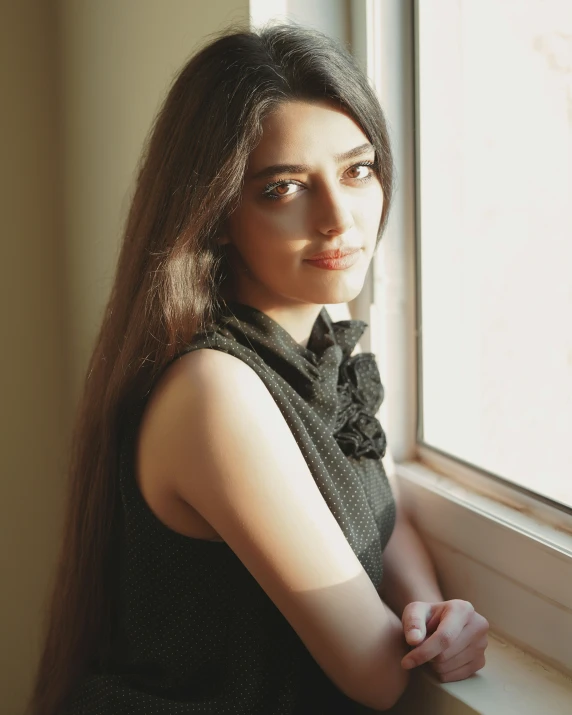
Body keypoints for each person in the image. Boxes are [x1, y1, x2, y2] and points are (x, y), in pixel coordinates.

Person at [29, 22, 489, 715]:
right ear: (217, 214)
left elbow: (382, 519)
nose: (340, 219)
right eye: (284, 189)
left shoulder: (324, 348)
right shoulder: (214, 391)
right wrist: (420, 641)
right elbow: (377, 672)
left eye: (358, 169)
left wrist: (430, 609)